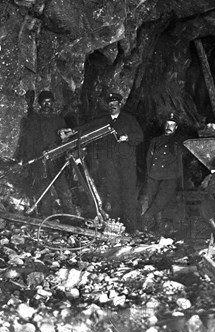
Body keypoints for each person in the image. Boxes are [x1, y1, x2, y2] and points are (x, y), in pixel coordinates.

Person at [16, 90, 78, 217]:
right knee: (44, 193)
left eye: (49, 102)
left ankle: (70, 218)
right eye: (44, 102)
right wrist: (26, 159)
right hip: (40, 163)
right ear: (40, 103)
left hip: (56, 161)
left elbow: (66, 140)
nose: (47, 104)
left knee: (64, 191)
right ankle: (46, 219)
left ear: (53, 103)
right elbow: (27, 142)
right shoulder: (34, 120)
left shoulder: (58, 120)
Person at [91, 92, 144, 232]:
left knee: (128, 193)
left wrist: (128, 137)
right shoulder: (103, 121)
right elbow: (89, 129)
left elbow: (140, 137)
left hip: (126, 165)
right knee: (113, 193)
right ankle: (117, 224)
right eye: (110, 104)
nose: (112, 106)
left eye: (115, 104)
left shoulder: (129, 119)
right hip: (110, 165)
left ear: (120, 105)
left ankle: (131, 226)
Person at [144, 113, 184, 235]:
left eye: (172, 125)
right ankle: (157, 227)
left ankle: (148, 218)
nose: (169, 127)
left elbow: (180, 161)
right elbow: (149, 158)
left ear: (176, 127)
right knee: (153, 199)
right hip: (154, 174)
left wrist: (179, 179)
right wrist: (149, 173)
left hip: (170, 176)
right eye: (167, 124)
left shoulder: (178, 141)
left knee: (162, 200)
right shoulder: (155, 140)